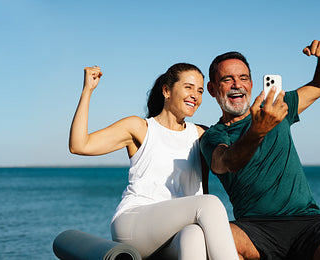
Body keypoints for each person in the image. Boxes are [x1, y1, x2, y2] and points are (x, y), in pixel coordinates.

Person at [69, 63, 239, 259]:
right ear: (167, 91)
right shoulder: (140, 128)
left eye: (200, 90)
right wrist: (87, 91)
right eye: (188, 87)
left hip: (176, 232)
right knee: (209, 204)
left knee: (194, 236)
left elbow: (205, 187)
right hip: (134, 223)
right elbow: (79, 145)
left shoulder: (201, 135)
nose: (195, 95)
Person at [201, 40, 320, 260]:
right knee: (222, 239)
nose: (237, 84)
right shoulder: (214, 135)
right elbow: (227, 161)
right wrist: (258, 130)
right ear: (212, 89)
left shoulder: (277, 108)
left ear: (252, 84)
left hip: (305, 220)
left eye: (243, 78)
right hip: (254, 228)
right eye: (227, 79)